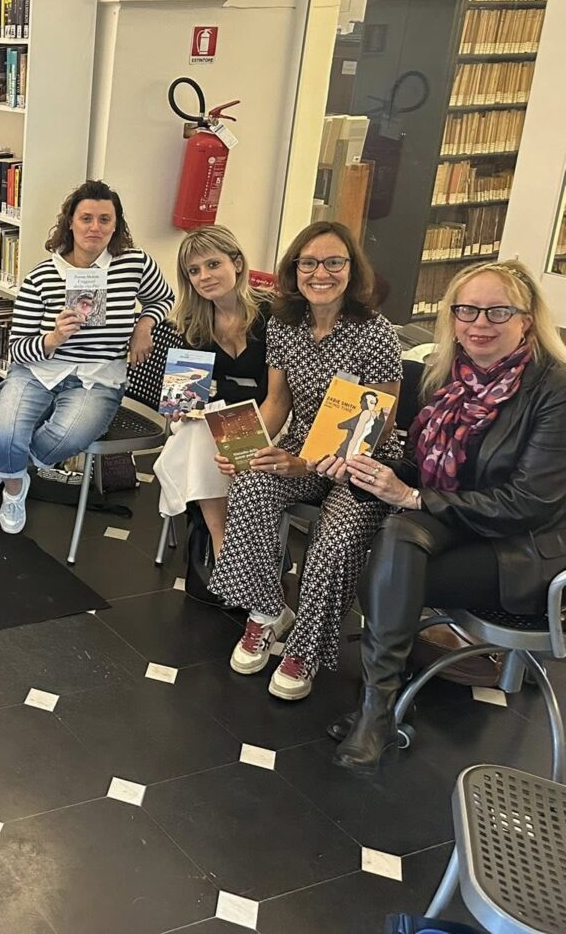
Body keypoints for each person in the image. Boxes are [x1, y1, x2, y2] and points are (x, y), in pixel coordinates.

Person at [326, 261, 566, 771]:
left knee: (390, 573)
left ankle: (377, 711)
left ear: (526, 320)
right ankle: (378, 710)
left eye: (498, 311)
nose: (480, 322)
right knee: (395, 543)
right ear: (451, 317)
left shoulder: (556, 390)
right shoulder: (451, 378)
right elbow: (429, 469)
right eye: (467, 310)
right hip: (459, 519)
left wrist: (412, 497)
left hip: (523, 546)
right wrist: (367, 469)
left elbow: (528, 503)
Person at [209, 221, 403, 701]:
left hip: (361, 461)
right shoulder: (283, 324)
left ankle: (306, 648)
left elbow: (375, 420)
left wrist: (306, 463)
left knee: (334, 538)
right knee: (251, 487)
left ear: (351, 269)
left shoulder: (375, 333)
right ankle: (267, 612)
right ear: (294, 271)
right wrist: (248, 447)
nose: (321, 272)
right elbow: (277, 403)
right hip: (299, 446)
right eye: (309, 262)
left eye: (334, 262)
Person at [0, 181, 175, 535]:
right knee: (3, 433)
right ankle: (13, 485)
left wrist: (144, 324)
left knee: (69, 437)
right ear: (71, 223)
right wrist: (53, 337)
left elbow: (163, 298)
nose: (95, 228)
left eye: (105, 220)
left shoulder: (134, 263)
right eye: (86, 218)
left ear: (116, 225)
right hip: (39, 369)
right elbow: (16, 347)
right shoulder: (43, 276)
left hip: (100, 374)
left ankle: (9, 472)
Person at [153, 226, 269, 556]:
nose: (204, 276)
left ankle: (222, 546)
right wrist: (187, 404)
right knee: (196, 428)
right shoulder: (194, 320)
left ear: (237, 263)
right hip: (217, 418)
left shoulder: (271, 314)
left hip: (271, 417)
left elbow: (271, 391)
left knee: (198, 434)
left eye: (213, 264)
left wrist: (219, 391)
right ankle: (225, 543)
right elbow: (188, 396)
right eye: (194, 271)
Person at [336, 391, 389, 461]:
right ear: (360, 402)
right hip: (354, 451)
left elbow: (354, 438)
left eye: (371, 402)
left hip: (350, 451)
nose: (367, 404)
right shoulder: (372, 415)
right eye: (365, 401)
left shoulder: (366, 413)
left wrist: (348, 459)